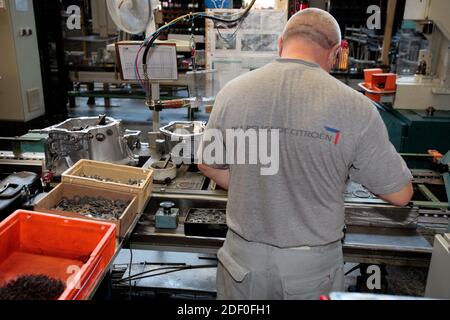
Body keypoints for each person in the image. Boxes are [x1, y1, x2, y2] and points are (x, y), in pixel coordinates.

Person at [198, 8, 413, 300]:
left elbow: (207, 164)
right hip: (311, 271)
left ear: (280, 43)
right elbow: (401, 195)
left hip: (242, 264)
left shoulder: (232, 92)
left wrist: (258, 188)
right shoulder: (356, 108)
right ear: (335, 53)